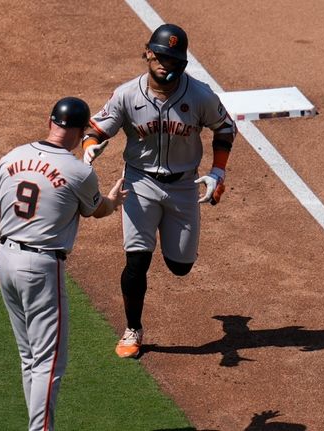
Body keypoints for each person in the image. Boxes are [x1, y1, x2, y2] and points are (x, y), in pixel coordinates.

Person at [82, 23, 238, 359]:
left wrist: (217, 171)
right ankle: (133, 329)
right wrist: (91, 146)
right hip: (139, 184)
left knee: (180, 266)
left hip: (184, 187)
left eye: (174, 59)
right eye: (161, 55)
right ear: (149, 53)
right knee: (137, 261)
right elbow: (95, 128)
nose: (166, 63)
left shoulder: (199, 96)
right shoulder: (127, 94)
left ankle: (234, 324)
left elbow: (225, 127)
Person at [0, 96, 127, 431]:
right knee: (49, 360)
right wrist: (113, 201)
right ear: (78, 132)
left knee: (29, 356)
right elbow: (95, 210)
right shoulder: (79, 171)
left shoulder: (12, 156)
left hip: (5, 259)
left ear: (51, 122)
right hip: (41, 267)